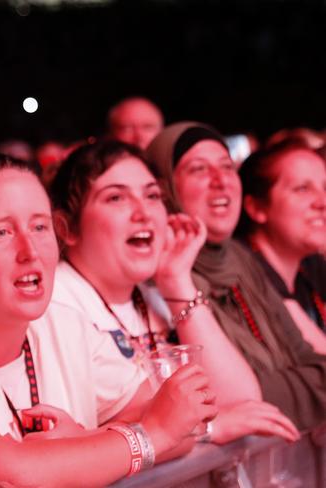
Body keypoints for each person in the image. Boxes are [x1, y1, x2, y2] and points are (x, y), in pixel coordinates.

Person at [0, 151, 218, 486]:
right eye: (2, 232)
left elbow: (184, 425)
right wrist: (152, 436)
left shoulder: (64, 324)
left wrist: (88, 440)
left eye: (40, 226)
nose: (30, 250)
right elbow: (12, 474)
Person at [49, 139, 299, 444]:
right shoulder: (56, 304)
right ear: (67, 228)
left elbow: (241, 400)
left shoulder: (152, 294)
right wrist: (209, 430)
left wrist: (176, 279)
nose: (143, 212)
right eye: (116, 198)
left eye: (153, 195)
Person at [146, 121, 326, 430]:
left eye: (227, 166)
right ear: (164, 190)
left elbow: (317, 367)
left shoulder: (242, 261)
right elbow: (234, 401)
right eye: (199, 169)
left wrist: (262, 389)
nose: (220, 181)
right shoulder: (158, 278)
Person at [237, 143, 326, 352]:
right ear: (256, 207)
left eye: (325, 188)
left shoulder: (311, 268)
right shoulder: (247, 283)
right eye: (302, 189)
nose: (322, 202)